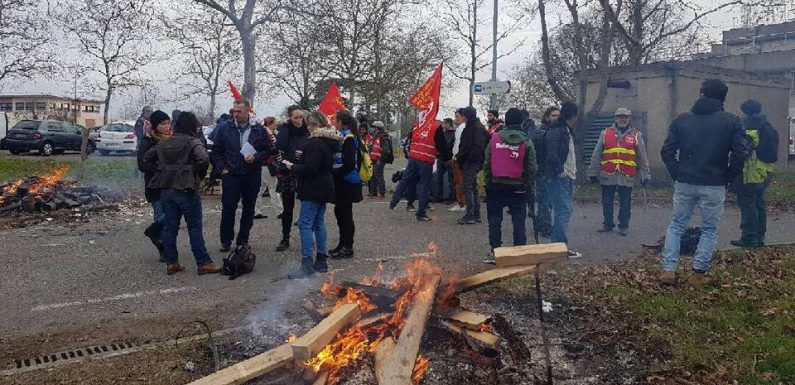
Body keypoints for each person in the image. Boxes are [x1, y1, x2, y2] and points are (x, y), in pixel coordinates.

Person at [660, 79, 751, 286]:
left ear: (701, 94)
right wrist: (728, 177)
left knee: (676, 225)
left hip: (685, 180)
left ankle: (668, 270)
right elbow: (741, 153)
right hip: (714, 182)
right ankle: (698, 273)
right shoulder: (732, 122)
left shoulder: (681, 120)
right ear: (723, 98)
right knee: (709, 229)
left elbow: (666, 151)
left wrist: (677, 172)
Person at [143, 111, 220, 276]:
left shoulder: (164, 142)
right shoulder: (193, 142)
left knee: (171, 228)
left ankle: (171, 263)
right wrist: (197, 176)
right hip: (186, 190)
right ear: (193, 126)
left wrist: (161, 171)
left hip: (166, 190)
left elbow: (147, 158)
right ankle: (203, 262)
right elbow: (203, 159)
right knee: (194, 227)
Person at [210, 99, 273, 252]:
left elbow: (267, 150)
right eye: (234, 111)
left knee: (249, 208)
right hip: (231, 174)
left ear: (248, 111)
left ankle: (243, 239)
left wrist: (256, 158)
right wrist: (222, 169)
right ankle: (226, 240)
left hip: (252, 174)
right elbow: (216, 151)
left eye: (239, 111)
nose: (236, 114)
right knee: (229, 208)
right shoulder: (225, 127)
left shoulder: (258, 129)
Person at [283, 112, 338, 279]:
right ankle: (321, 260)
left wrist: (292, 166)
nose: (306, 127)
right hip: (325, 185)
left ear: (315, 125)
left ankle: (307, 263)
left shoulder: (314, 143)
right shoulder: (330, 142)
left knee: (305, 224)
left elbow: (311, 168)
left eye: (309, 124)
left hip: (313, 187)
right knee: (319, 223)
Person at [483, 108, 537, 263]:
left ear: (505, 121)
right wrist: (528, 184)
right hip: (518, 186)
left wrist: (488, 182)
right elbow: (531, 166)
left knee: (494, 220)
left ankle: (495, 251)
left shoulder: (494, 138)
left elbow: (487, 163)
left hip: (496, 185)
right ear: (521, 121)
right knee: (519, 220)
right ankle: (519, 251)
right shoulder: (526, 141)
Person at [587, 107, 651, 236]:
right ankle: (608, 224)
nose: (622, 119)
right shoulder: (605, 133)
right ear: (615, 118)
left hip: (627, 174)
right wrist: (592, 172)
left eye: (625, 117)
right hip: (608, 173)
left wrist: (646, 174)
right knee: (607, 201)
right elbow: (596, 154)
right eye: (620, 117)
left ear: (629, 119)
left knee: (625, 202)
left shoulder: (636, 135)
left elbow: (642, 157)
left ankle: (623, 226)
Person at [730, 100, 779, 248]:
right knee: (759, 203)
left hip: (751, 172)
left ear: (747, 112)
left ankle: (749, 238)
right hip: (766, 171)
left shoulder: (750, 129)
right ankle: (759, 237)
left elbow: (741, 152)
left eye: (741, 111)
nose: (739, 114)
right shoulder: (768, 126)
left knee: (748, 203)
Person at [389, 116, 452, 222]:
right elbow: (442, 146)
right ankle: (421, 213)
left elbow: (410, 138)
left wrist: (410, 151)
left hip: (414, 157)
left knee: (405, 180)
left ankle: (394, 201)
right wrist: (448, 157)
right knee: (424, 185)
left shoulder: (417, 124)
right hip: (426, 159)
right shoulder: (436, 127)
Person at [542, 102, 580, 257]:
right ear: (574, 116)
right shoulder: (558, 131)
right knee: (562, 210)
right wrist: (560, 171)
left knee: (565, 210)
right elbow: (551, 154)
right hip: (561, 177)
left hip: (568, 175)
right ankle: (559, 248)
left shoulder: (566, 130)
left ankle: (558, 246)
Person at [137, 110, 171, 262]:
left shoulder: (171, 139)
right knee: (161, 216)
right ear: (155, 125)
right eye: (162, 123)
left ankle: (153, 232)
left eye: (168, 123)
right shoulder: (147, 141)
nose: (166, 126)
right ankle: (164, 249)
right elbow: (142, 164)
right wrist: (159, 167)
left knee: (169, 218)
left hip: (169, 185)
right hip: (154, 186)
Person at [275, 106, 309, 251]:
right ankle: (285, 238)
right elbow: (280, 145)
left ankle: (308, 238)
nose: (299, 120)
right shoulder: (286, 130)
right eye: (295, 117)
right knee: (288, 208)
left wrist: (303, 154)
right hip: (287, 171)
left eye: (301, 117)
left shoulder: (308, 131)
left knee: (308, 207)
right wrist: (285, 127)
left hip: (304, 170)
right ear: (290, 118)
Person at [331, 110, 364, 258]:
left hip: (347, 182)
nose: (333, 122)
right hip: (342, 181)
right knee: (339, 213)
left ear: (340, 122)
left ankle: (348, 246)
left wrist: (334, 174)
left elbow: (350, 164)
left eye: (334, 120)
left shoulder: (349, 137)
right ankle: (342, 243)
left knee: (345, 215)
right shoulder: (342, 135)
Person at [455, 106, 486, 225]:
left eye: (462, 115)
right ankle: (476, 214)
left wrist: (462, 157)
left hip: (472, 161)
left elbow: (472, 146)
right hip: (474, 161)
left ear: (466, 116)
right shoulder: (478, 126)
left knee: (467, 186)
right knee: (472, 186)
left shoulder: (473, 128)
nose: (461, 117)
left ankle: (470, 215)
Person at [532, 107, 559, 237]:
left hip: (551, 171)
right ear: (547, 117)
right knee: (545, 200)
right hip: (543, 170)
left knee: (547, 200)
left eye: (558, 115)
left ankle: (541, 224)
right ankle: (546, 227)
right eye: (554, 115)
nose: (557, 118)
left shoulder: (555, 130)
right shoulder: (542, 131)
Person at [255, 117, 283, 219]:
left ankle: (256, 210)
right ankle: (280, 211)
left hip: (262, 163)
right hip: (269, 163)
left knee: (260, 188)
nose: (275, 126)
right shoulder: (269, 135)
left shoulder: (262, 133)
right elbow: (273, 148)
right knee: (273, 188)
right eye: (274, 124)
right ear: (269, 124)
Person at [433, 118, 456, 202]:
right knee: (439, 179)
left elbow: (451, 146)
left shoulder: (454, 134)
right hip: (441, 158)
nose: (443, 125)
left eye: (444, 123)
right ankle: (438, 196)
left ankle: (451, 197)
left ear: (448, 124)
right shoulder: (443, 133)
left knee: (451, 179)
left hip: (448, 159)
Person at [448, 111, 467, 212]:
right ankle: (462, 202)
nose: (456, 118)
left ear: (463, 116)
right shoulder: (461, 127)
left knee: (459, 181)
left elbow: (459, 144)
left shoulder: (462, 128)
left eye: (458, 116)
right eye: (455, 116)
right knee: (459, 181)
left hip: (458, 158)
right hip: (457, 157)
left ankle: (461, 203)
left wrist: (456, 156)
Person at [368, 121, 393, 198]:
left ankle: (382, 193)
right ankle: (373, 193)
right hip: (374, 160)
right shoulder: (376, 136)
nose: (373, 129)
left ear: (378, 128)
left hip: (380, 160)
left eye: (374, 127)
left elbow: (386, 151)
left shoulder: (384, 137)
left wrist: (380, 160)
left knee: (379, 176)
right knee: (373, 176)